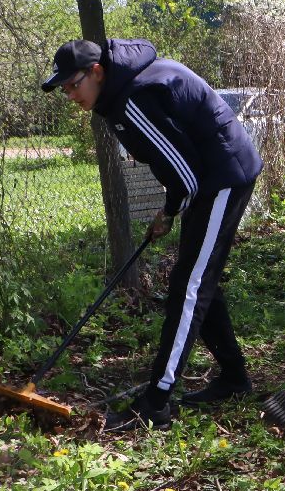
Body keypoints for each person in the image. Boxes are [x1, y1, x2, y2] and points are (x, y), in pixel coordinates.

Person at [43, 38, 263, 431]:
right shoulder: (121, 92)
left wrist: (170, 210)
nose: (70, 94)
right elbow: (178, 164)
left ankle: (157, 402)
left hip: (223, 175)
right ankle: (233, 379)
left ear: (96, 71)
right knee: (197, 277)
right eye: (63, 89)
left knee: (190, 285)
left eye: (73, 84)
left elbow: (184, 174)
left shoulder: (135, 97)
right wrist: (174, 207)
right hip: (207, 177)